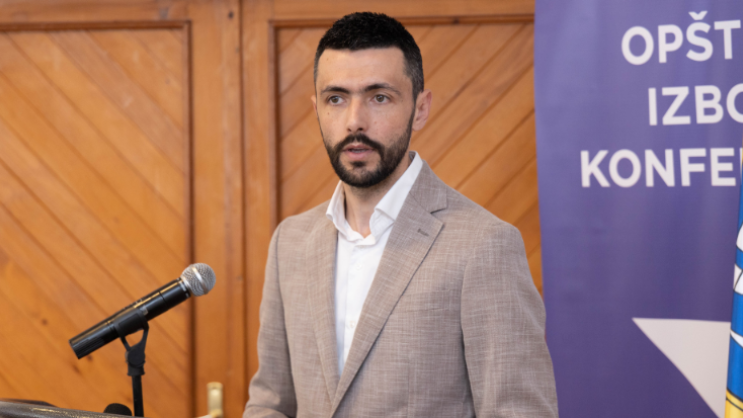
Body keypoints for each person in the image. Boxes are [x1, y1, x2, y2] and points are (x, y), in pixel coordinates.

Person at [244, 12, 558, 418]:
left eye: (379, 97)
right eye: (336, 98)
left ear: (420, 109)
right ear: (317, 109)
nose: (354, 121)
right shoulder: (290, 242)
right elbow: (270, 403)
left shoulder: (485, 246)